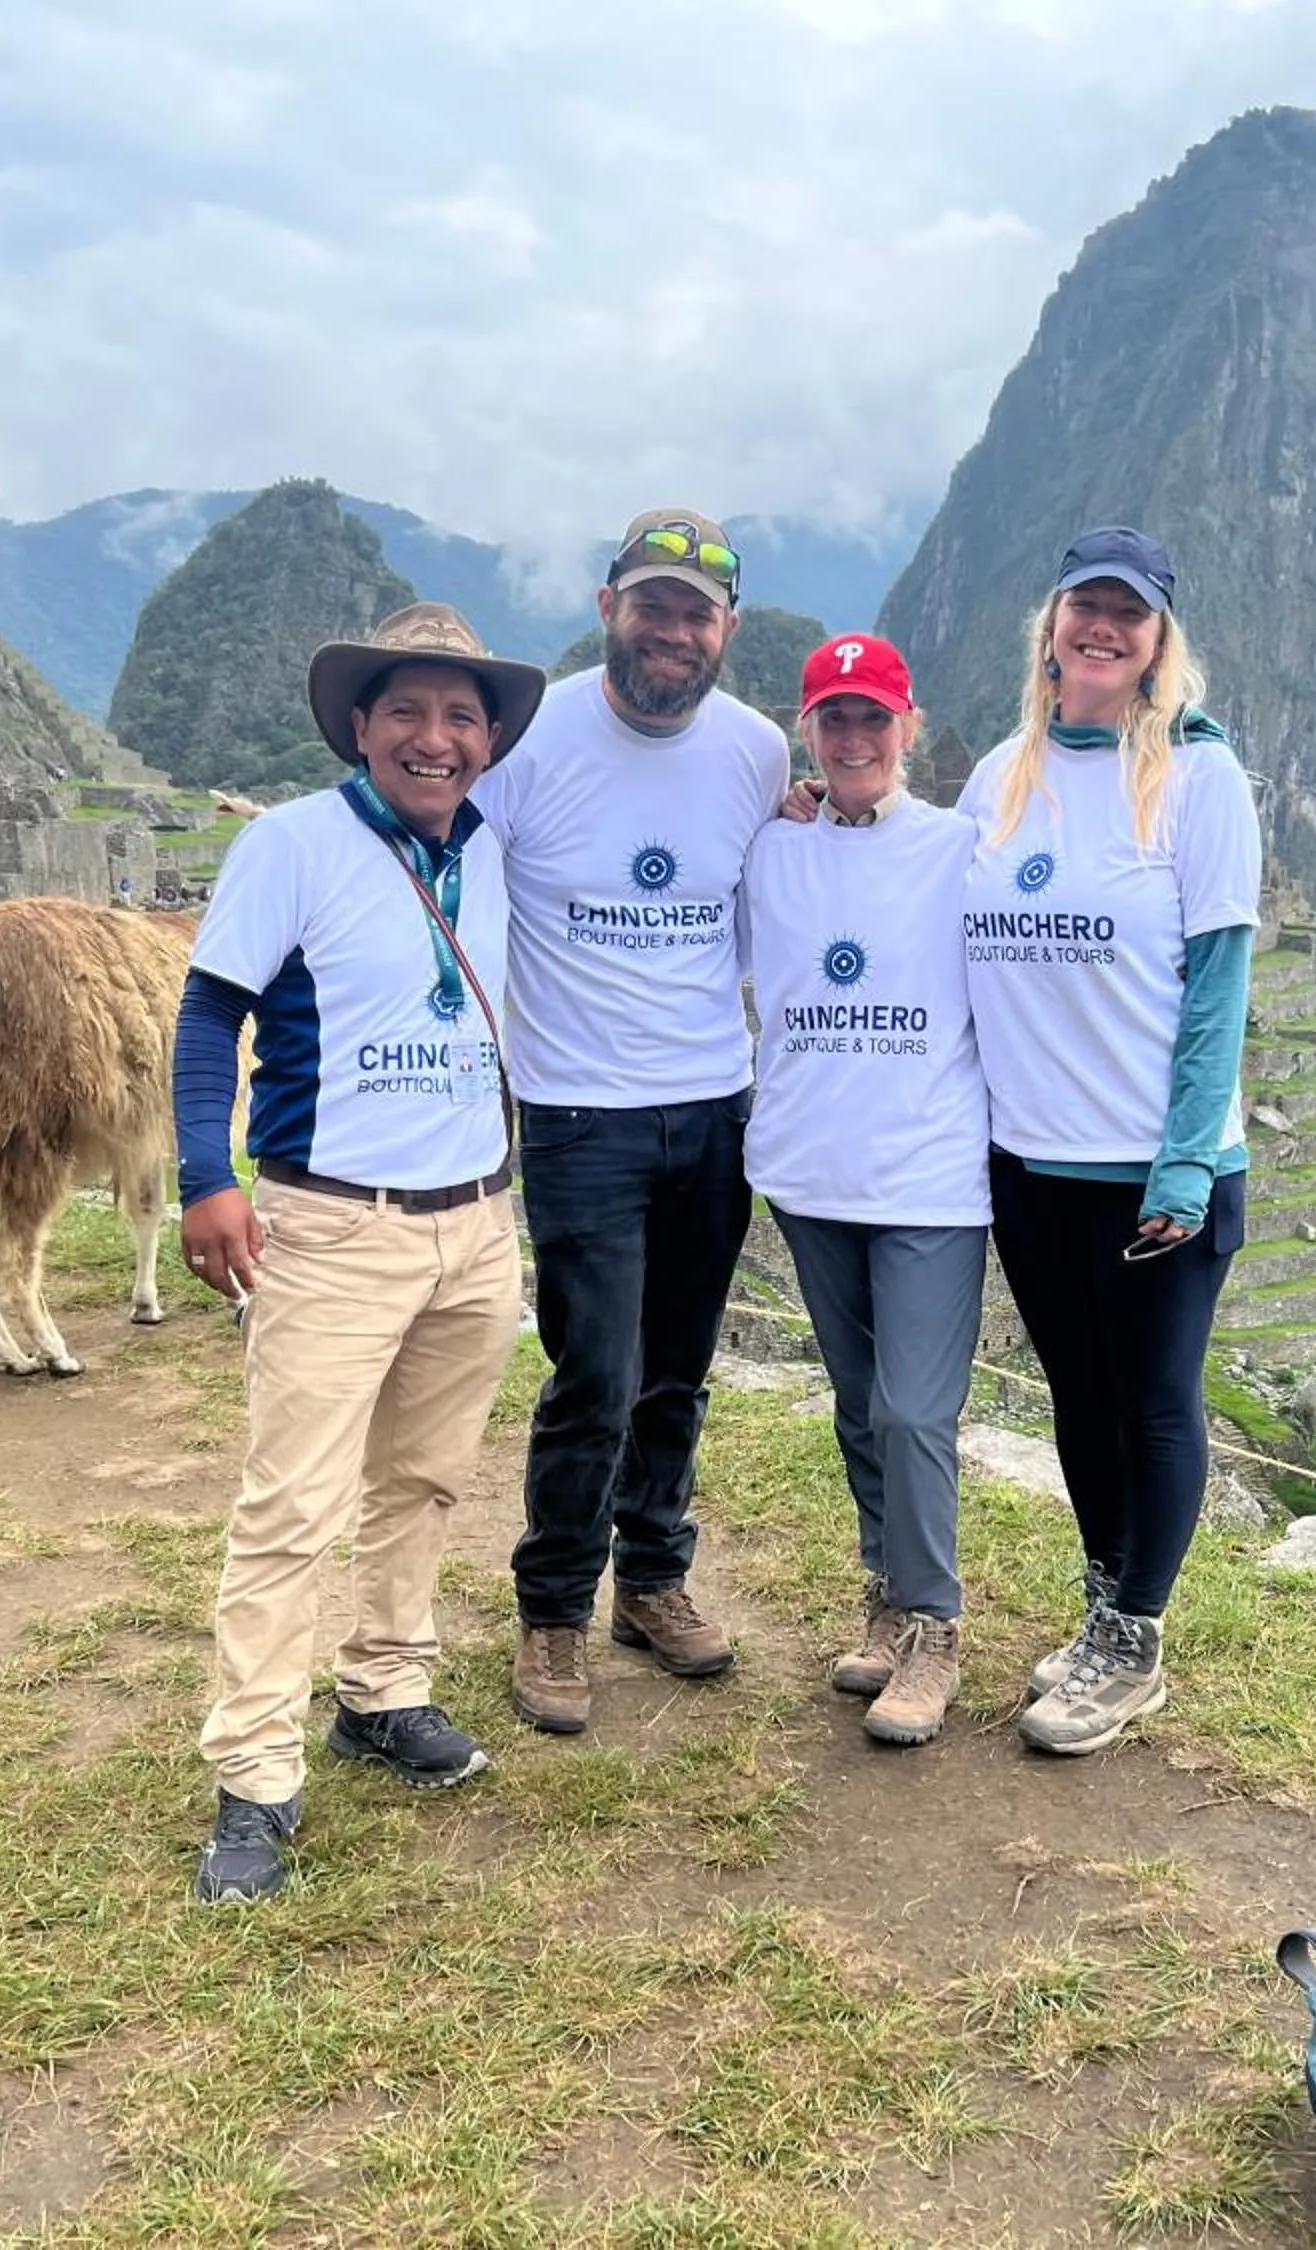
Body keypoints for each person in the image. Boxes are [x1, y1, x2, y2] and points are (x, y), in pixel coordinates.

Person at [173, 602, 545, 1906]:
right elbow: (210, 1014)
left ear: (488, 740)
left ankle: (383, 1688)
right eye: (407, 712)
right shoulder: (293, 843)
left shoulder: (494, 849)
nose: (434, 739)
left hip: (475, 1221)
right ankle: (253, 1776)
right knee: (294, 1503)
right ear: (360, 725)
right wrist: (206, 1178)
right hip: (333, 1223)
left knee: (424, 1477)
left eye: (460, 717)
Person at [470, 509, 788, 1734]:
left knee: (678, 1370)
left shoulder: (756, 752)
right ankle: (553, 1607)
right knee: (593, 1374)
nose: (672, 630)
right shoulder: (528, 740)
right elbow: (453, 885)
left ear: (727, 630)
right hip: (578, 1112)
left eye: (695, 613)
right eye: (652, 604)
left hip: (712, 1108)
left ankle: (652, 1580)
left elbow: (770, 897)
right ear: (609, 607)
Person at [957, 528, 1261, 1758]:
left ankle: (1134, 1643)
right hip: (1031, 1166)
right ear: (1052, 626)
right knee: (1079, 1400)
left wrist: (1184, 1158)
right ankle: (1102, 1611)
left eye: (1127, 614)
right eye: (1085, 604)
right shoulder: (999, 777)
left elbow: (1218, 985)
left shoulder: (1198, 777)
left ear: (1156, 640)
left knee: (1153, 1404)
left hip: (1156, 1171)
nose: (1102, 627)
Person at [741, 633, 987, 1746]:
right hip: (809, 1171)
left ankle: (934, 1624)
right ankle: (886, 1595)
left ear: (908, 729)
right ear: (808, 732)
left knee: (913, 1408)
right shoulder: (772, 849)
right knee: (857, 1400)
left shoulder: (960, 849)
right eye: (833, 719)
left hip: (928, 1178)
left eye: (872, 719)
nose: (853, 739)